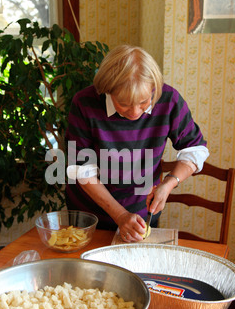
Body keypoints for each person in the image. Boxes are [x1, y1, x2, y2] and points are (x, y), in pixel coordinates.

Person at [65, 45, 209, 242]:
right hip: (91, 217)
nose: (134, 112)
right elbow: (81, 170)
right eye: (123, 103)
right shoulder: (84, 103)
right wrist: (120, 215)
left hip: (142, 215)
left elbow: (195, 149)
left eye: (143, 102)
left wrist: (169, 183)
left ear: (153, 88)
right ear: (108, 90)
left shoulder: (169, 100)